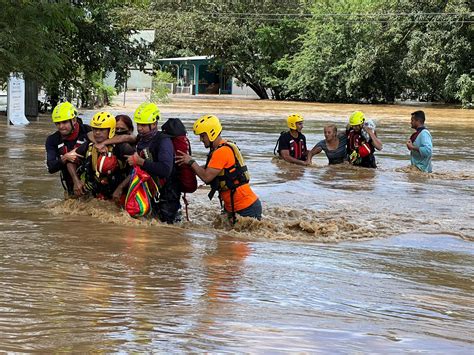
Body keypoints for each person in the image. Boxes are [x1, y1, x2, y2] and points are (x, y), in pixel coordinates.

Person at [176, 115, 262, 223]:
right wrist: (186, 169)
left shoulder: (221, 152)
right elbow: (207, 169)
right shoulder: (222, 148)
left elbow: (206, 177)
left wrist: (191, 162)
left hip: (246, 208)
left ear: (212, 133)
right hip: (235, 206)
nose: (201, 139)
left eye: (203, 136)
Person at [125, 102, 181, 224]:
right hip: (150, 192)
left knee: (166, 230)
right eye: (138, 124)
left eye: (144, 125)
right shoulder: (141, 139)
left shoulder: (164, 142)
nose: (139, 128)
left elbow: (166, 169)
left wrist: (140, 162)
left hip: (167, 195)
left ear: (154, 124)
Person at [69, 111, 135, 203]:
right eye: (95, 129)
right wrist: (76, 181)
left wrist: (120, 188)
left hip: (118, 192)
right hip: (96, 192)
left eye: (102, 130)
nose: (97, 133)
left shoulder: (123, 147)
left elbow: (137, 169)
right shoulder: (89, 145)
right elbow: (70, 160)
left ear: (111, 130)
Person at [45, 101, 90, 197]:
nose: (61, 126)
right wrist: (65, 158)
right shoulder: (52, 140)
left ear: (74, 120)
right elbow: (51, 167)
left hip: (92, 181)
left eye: (64, 122)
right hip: (70, 185)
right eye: (57, 123)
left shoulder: (88, 131)